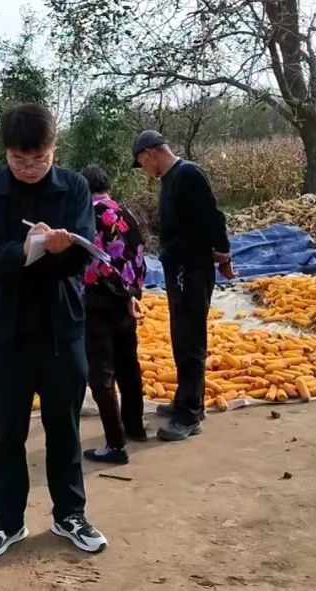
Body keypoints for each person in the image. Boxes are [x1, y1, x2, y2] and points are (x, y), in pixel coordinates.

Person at [0, 103, 107, 560]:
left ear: (54, 150)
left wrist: (59, 249)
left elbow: (84, 255)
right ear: (5, 152)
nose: (29, 168)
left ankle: (70, 515)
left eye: (39, 159)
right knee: (7, 431)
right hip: (7, 329)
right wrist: (25, 251)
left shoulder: (74, 188)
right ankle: (7, 522)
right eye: (19, 160)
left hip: (61, 326)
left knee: (64, 426)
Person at [131, 130, 235, 442]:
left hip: (191, 269)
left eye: (142, 163)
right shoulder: (171, 179)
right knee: (181, 337)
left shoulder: (188, 174)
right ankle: (187, 400)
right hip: (178, 268)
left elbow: (213, 218)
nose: (145, 170)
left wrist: (224, 255)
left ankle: (189, 414)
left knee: (190, 340)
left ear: (150, 154)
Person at [79, 165, 148, 465]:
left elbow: (90, 260)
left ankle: (115, 443)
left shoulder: (88, 215)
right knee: (127, 365)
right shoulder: (126, 213)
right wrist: (132, 293)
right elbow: (140, 257)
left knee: (101, 373)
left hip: (98, 301)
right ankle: (135, 426)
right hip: (124, 301)